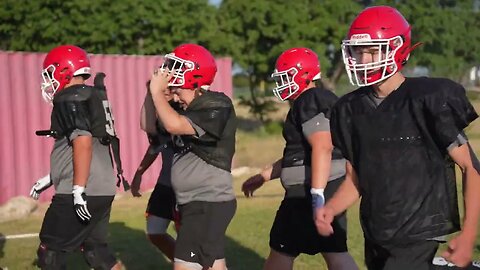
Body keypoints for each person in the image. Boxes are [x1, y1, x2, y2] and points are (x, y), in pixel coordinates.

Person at [315, 6, 480, 270]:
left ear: (397, 48)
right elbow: (356, 178)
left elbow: (471, 168)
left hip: (419, 229)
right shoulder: (349, 109)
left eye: (372, 51)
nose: (364, 60)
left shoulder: (427, 98)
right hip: (376, 230)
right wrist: (332, 208)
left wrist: (469, 235)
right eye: (358, 52)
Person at [242, 47, 358, 270]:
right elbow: (300, 154)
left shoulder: (310, 98)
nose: (282, 84)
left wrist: (317, 196)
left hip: (308, 192)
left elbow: (322, 147)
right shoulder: (314, 100)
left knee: (285, 251)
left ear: (303, 75)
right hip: (318, 187)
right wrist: (265, 175)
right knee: (331, 251)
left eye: (285, 77)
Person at [32, 45, 123, 269]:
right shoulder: (93, 95)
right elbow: (88, 143)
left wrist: (77, 189)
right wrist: (52, 176)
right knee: (97, 254)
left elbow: (82, 142)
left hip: (83, 188)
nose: (48, 81)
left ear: (63, 71)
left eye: (50, 74)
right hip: (103, 187)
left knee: (50, 253)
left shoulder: (68, 97)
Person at [149, 43, 237, 270]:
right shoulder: (185, 108)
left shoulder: (216, 103)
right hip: (198, 202)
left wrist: (157, 93)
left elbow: (174, 125)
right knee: (214, 265)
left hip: (208, 201)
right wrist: (158, 95)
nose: (171, 70)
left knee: (187, 266)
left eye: (177, 66)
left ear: (195, 72)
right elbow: (149, 125)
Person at [130, 81, 180, 261]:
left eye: (166, 89)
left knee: (189, 239)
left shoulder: (183, 112)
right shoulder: (158, 118)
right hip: (166, 184)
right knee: (155, 232)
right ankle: (186, 264)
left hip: (188, 186)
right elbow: (156, 146)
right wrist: (139, 172)